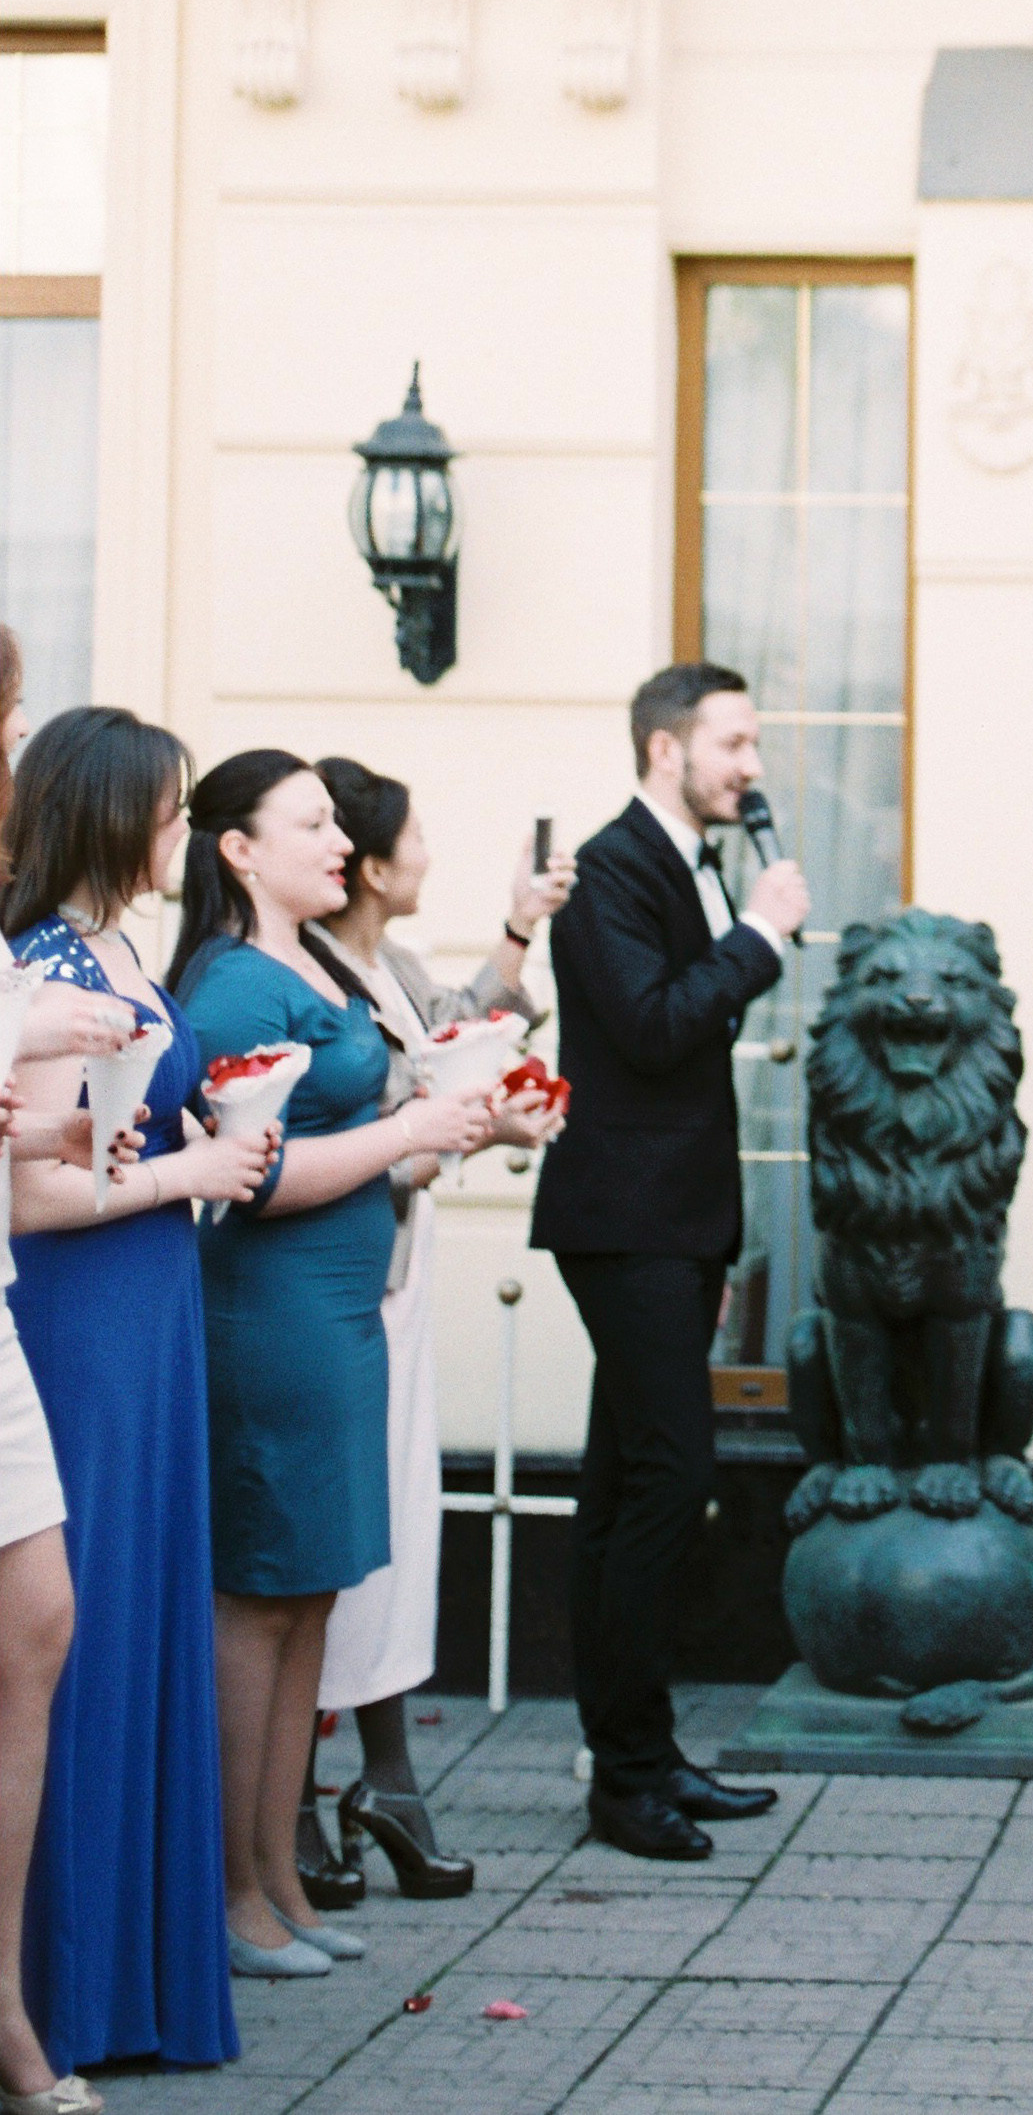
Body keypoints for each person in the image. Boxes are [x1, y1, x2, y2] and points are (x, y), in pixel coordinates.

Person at [169, 753, 493, 1982]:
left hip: (347, 1308)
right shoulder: (240, 984)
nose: (338, 839)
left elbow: (365, 1142)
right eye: (308, 821)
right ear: (238, 849)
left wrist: (448, 1127)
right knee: (259, 1596)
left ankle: (284, 1877)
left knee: (310, 1592)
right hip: (277, 1316)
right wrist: (405, 1128)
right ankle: (235, 1893)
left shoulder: (320, 959)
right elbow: (256, 1176)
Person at [2, 708, 280, 2082]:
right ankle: (71, 1987)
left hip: (150, 1305)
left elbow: (111, 1132)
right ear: (114, 815)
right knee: (86, 1625)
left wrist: (204, 1134)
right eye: (171, 809)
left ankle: (142, 1975)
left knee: (149, 1602)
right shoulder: (45, 964)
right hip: (83, 1323)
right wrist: (193, 1172)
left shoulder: (125, 951)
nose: (184, 830)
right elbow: (37, 1188)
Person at [530, 662, 807, 1860]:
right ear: (665, 747)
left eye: (751, 743)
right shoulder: (605, 868)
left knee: (620, 1486)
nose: (750, 763)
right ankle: (627, 1778)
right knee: (670, 1475)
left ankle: (641, 1755)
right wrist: (757, 939)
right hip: (626, 1214)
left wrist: (740, 933)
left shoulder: (687, 859)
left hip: (673, 1213)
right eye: (733, 740)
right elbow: (648, 1027)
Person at [305, 758, 574, 1905]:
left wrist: (518, 929)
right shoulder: (313, 975)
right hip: (344, 1283)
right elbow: (399, 1118)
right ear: (372, 865)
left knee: (397, 1538)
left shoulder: (387, 964)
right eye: (415, 839)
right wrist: (467, 1129)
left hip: (398, 1276)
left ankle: (379, 1780)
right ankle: (323, 1792)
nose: (426, 856)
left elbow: (455, 1036)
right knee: (344, 1544)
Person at [0, 650, 151, 2115]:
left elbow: (35, 1146)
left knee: (48, 1619)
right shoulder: (39, 950)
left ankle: (20, 2000)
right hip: (63, 1296)